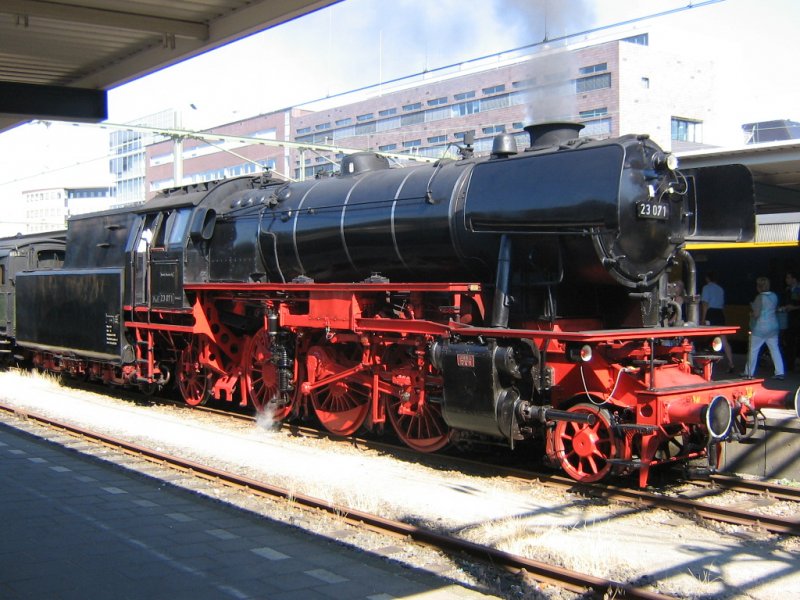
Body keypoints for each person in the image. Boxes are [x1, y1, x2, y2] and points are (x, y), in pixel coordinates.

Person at [744, 276, 785, 379]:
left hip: (760, 328)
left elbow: (756, 314)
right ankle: (780, 372)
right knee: (774, 349)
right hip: (773, 327)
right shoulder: (774, 296)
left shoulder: (759, 298)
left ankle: (749, 372)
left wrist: (751, 313)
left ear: (758, 287)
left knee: (753, 350)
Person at [700, 272, 735, 372]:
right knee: (724, 339)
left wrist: (703, 318)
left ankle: (702, 364)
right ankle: (731, 363)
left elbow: (705, 304)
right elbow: (722, 305)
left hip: (710, 313)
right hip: (719, 314)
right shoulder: (720, 289)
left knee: (704, 337)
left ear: (707, 278)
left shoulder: (706, 288)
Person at [780, 271, 800, 371]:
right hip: (790, 319)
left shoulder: (798, 290)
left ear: (794, 279)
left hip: (797, 318)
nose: (786, 280)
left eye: (788, 277)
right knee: (789, 341)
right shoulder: (787, 290)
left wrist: (794, 307)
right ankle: (790, 364)